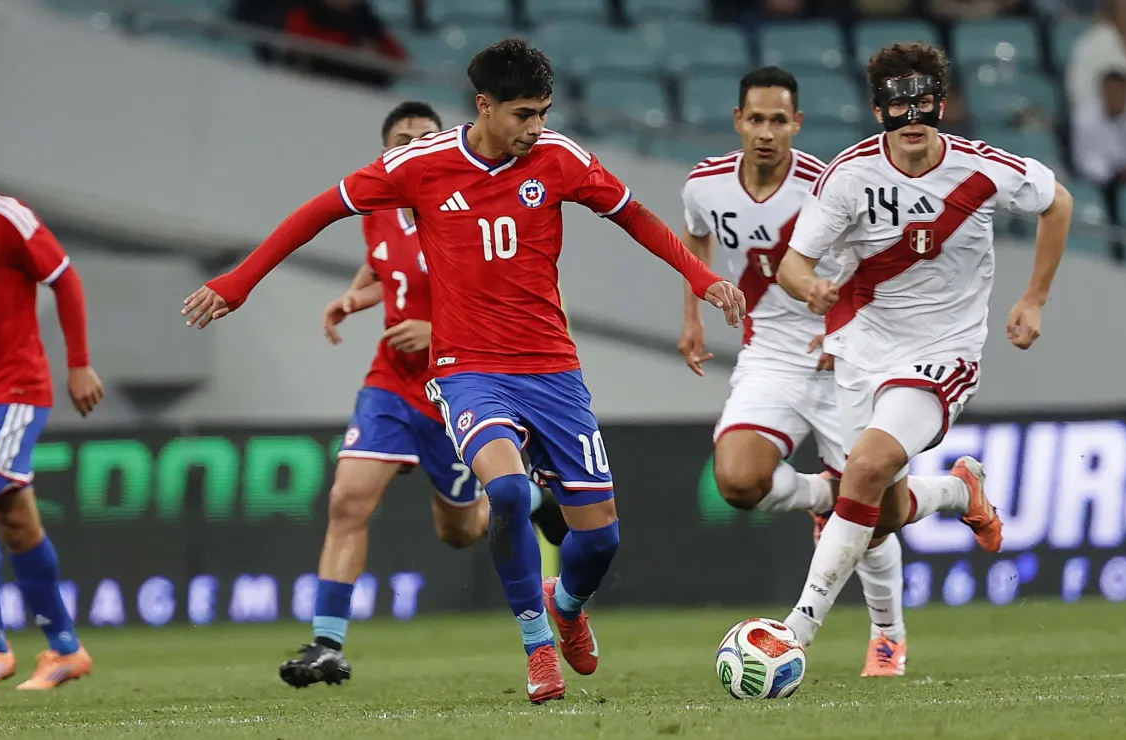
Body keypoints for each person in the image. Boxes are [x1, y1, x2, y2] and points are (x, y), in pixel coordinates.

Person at [181, 39, 746, 703]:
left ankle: (564, 606)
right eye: (524, 114)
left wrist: (702, 278)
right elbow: (318, 210)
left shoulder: (558, 159)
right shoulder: (420, 166)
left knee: (600, 542)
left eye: (544, 112)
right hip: (468, 370)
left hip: (554, 371)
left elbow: (635, 216)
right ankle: (538, 647)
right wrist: (241, 281)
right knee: (503, 494)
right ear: (485, 105)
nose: (536, 127)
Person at [678, 66, 995, 677]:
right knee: (738, 481)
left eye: (779, 120)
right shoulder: (704, 185)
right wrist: (692, 315)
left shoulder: (832, 184)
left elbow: (873, 263)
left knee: (886, 515)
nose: (766, 132)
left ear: (797, 124)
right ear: (738, 121)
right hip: (770, 353)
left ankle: (889, 630)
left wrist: (843, 328)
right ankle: (834, 496)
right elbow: (697, 242)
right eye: (756, 119)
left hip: (842, 357)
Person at [776, 42, 1073, 650]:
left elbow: (1057, 202)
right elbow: (793, 265)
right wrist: (812, 289)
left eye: (923, 103)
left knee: (864, 468)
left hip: (944, 349)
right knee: (880, 512)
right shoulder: (848, 176)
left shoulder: (981, 167)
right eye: (896, 105)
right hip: (861, 349)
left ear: (942, 103)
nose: (912, 118)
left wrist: (1035, 297)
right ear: (877, 109)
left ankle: (794, 633)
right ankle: (959, 490)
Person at [279, 101, 568, 688]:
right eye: (400, 139)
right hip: (390, 385)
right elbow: (384, 265)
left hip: (457, 386)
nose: (411, 146)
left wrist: (436, 331)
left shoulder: (474, 210)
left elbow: (503, 301)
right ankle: (327, 643)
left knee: (458, 532)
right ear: (388, 153)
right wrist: (353, 298)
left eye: (424, 137)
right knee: (347, 500)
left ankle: (534, 502)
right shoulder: (379, 210)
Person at [0, 189, 104, 690]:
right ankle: (64, 649)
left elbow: (65, 278)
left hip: (13, 390)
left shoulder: (5, 217)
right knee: (17, 524)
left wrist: (78, 364)